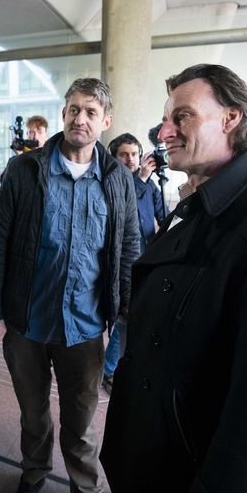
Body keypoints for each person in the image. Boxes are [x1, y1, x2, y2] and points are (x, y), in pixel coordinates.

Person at [100, 64, 247, 493]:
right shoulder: (198, 204)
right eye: (165, 119)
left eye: (182, 116)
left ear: (231, 119)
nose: (164, 132)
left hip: (191, 474)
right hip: (147, 458)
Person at [0, 78, 141, 493]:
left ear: (105, 121)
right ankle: (34, 472)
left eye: (90, 112)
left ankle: (85, 489)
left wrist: (128, 309)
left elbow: (128, 248)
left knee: (81, 422)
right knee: (33, 415)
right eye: (73, 109)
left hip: (84, 327)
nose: (79, 119)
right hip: (26, 324)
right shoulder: (25, 170)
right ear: (63, 114)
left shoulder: (117, 179)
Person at [101, 133, 168, 394]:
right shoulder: (111, 183)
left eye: (134, 154)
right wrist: (141, 179)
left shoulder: (149, 185)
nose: (130, 159)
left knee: (136, 319)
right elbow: (123, 210)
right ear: (114, 158)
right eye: (124, 155)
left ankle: (125, 366)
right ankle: (109, 371)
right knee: (123, 319)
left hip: (145, 259)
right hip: (122, 263)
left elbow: (163, 217)